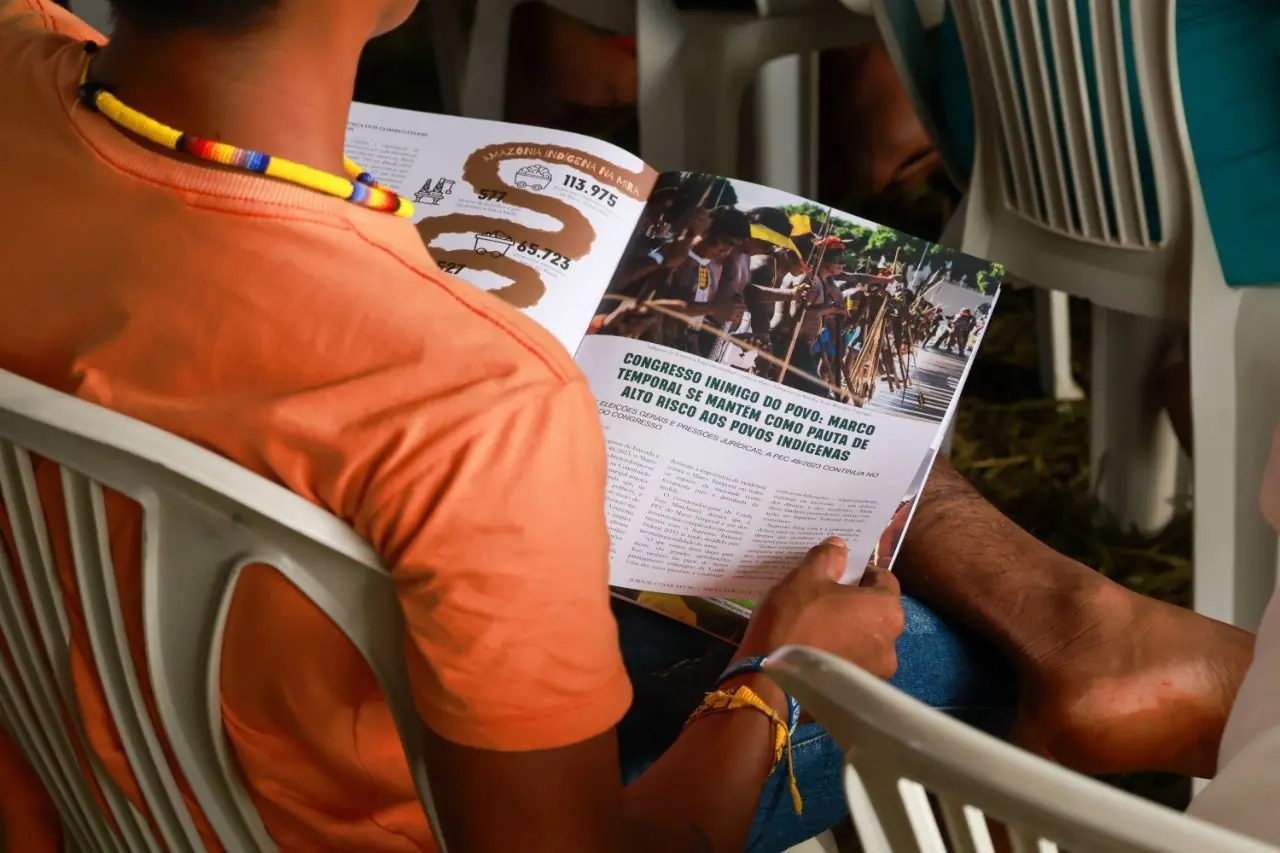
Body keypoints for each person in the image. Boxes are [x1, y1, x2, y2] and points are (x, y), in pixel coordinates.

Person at [3, 3, 1278, 853]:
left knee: (832, 476)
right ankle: (1159, 676)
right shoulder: (470, 402)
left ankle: (1091, 629)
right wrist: (779, 675)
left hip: (97, 741)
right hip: (382, 810)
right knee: (928, 658)